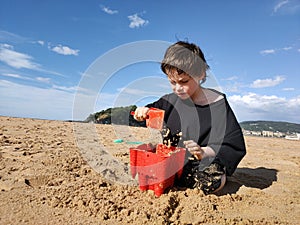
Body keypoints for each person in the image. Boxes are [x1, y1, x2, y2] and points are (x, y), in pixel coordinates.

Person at [133, 41, 246, 194]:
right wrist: (142, 111)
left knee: (211, 178)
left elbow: (231, 144)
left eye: (184, 81)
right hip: (172, 160)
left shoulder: (217, 103)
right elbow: (149, 111)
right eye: (172, 82)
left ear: (201, 75)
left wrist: (203, 152)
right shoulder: (169, 101)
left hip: (200, 162)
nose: (178, 88)